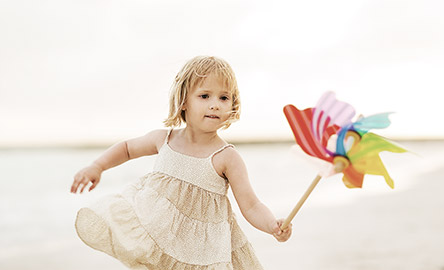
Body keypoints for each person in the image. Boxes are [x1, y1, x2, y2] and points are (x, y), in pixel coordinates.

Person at [71, 55, 292, 269]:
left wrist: (272, 225)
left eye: (223, 98)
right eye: (205, 96)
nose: (215, 104)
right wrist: (98, 166)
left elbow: (251, 205)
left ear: (233, 104)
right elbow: (127, 149)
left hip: (203, 252)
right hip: (160, 239)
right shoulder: (163, 140)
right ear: (184, 101)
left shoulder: (227, 157)